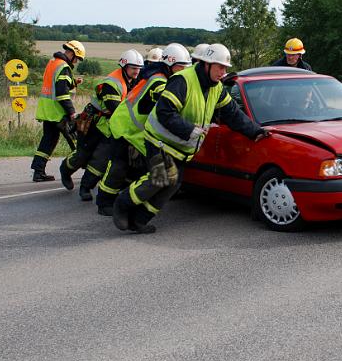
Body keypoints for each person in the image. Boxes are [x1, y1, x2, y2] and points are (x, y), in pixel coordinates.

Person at [112, 44, 268, 234]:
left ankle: (140, 219)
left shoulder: (216, 88)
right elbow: (164, 112)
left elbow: (233, 114)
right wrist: (189, 130)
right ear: (206, 64)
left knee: (174, 184)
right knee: (161, 179)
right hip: (159, 140)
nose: (223, 72)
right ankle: (122, 203)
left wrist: (256, 131)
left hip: (179, 147)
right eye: (220, 67)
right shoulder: (183, 81)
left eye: (225, 68)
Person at [95, 44, 191, 215]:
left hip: (136, 132)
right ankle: (104, 202)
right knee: (118, 166)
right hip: (125, 127)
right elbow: (166, 103)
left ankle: (129, 200)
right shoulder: (159, 81)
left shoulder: (160, 76)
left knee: (139, 169)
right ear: (170, 64)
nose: (183, 71)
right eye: (181, 67)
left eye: (186, 68)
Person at [60, 49, 143, 201]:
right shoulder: (111, 83)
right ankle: (65, 170)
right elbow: (116, 109)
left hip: (110, 127)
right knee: (82, 155)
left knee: (101, 159)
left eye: (138, 68)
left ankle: (85, 187)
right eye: (133, 68)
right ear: (124, 66)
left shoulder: (134, 81)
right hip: (93, 123)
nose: (137, 71)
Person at [31, 40, 85, 182]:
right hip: (58, 112)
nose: (77, 62)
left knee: (48, 141)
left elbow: (57, 85)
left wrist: (74, 83)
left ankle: (38, 171)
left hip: (47, 110)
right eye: (77, 59)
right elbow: (62, 93)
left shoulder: (53, 63)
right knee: (77, 141)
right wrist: (72, 112)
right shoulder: (64, 67)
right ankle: (87, 172)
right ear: (72, 54)